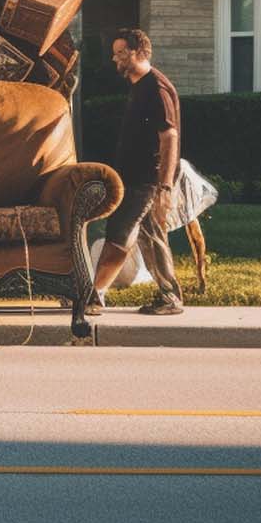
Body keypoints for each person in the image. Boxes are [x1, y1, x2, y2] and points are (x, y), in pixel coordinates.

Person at [92, 28, 186, 316]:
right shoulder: (140, 85)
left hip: (147, 179)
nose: (115, 58)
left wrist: (165, 187)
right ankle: (170, 298)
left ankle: (93, 294)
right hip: (136, 176)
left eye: (121, 53)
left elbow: (169, 137)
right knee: (151, 237)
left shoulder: (156, 88)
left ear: (140, 52)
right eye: (115, 53)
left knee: (119, 233)